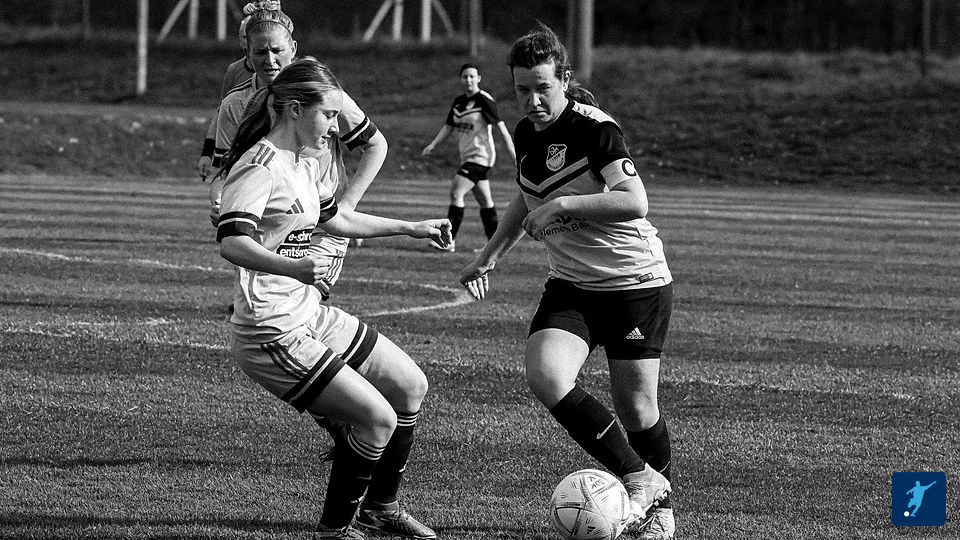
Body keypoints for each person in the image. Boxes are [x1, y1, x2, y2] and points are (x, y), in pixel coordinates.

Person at [215, 59, 448, 540]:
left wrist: (411, 227)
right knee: (377, 420)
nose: (337, 128)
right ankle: (334, 532)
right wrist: (293, 268)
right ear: (295, 110)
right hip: (269, 332)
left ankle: (380, 510)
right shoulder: (260, 167)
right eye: (329, 115)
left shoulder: (303, 163)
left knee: (410, 386)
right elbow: (232, 242)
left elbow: (336, 219)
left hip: (308, 315)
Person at [459, 24, 676, 540]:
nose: (532, 101)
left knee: (637, 407)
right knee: (546, 374)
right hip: (572, 285)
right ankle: (640, 477)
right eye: (522, 90)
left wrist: (563, 204)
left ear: (564, 79)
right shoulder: (525, 133)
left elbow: (634, 201)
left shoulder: (595, 130)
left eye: (543, 88)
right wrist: (488, 256)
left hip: (633, 281)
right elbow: (525, 197)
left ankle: (661, 514)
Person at [208, 2, 384, 294]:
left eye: (277, 50)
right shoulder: (235, 104)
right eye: (260, 52)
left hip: (323, 224)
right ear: (247, 54)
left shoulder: (322, 93)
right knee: (274, 308)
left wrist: (347, 206)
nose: (270, 60)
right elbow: (225, 172)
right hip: (269, 226)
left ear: (293, 48)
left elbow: (376, 145)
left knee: (299, 304)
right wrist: (222, 203)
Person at [422, 63, 516, 253]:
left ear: (478, 79)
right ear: (461, 79)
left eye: (472, 76)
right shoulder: (459, 102)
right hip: (467, 157)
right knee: (485, 201)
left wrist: (514, 156)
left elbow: (502, 129)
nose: (468, 80)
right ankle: (495, 246)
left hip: (481, 157)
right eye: (465, 76)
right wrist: (433, 144)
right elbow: (448, 126)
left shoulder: (484, 100)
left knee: (456, 192)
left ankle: (449, 241)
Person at [195, 0, 262, 182]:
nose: (247, 41)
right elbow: (222, 113)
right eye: (243, 37)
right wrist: (207, 154)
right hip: (236, 149)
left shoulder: (276, 71)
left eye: (250, 36)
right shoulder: (234, 70)